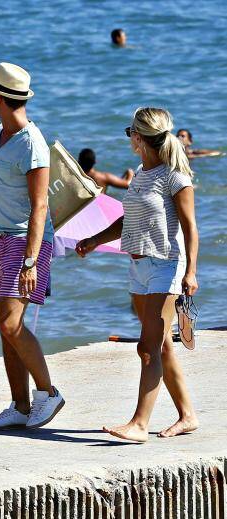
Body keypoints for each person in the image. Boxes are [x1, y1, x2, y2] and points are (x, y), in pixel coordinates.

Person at [76, 107, 199, 443]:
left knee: (147, 348)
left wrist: (191, 272)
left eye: (129, 131)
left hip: (166, 266)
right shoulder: (143, 175)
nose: (128, 137)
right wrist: (94, 239)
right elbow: (127, 221)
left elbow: (190, 228)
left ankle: (139, 424)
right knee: (161, 347)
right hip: (138, 267)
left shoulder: (176, 177)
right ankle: (187, 416)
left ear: (140, 137)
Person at [0, 62, 64, 430]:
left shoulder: (31, 144)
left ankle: (48, 393)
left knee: (11, 323)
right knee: (6, 329)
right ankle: (20, 406)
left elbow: (40, 207)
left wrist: (31, 261)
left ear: (3, 99)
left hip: (25, 241)